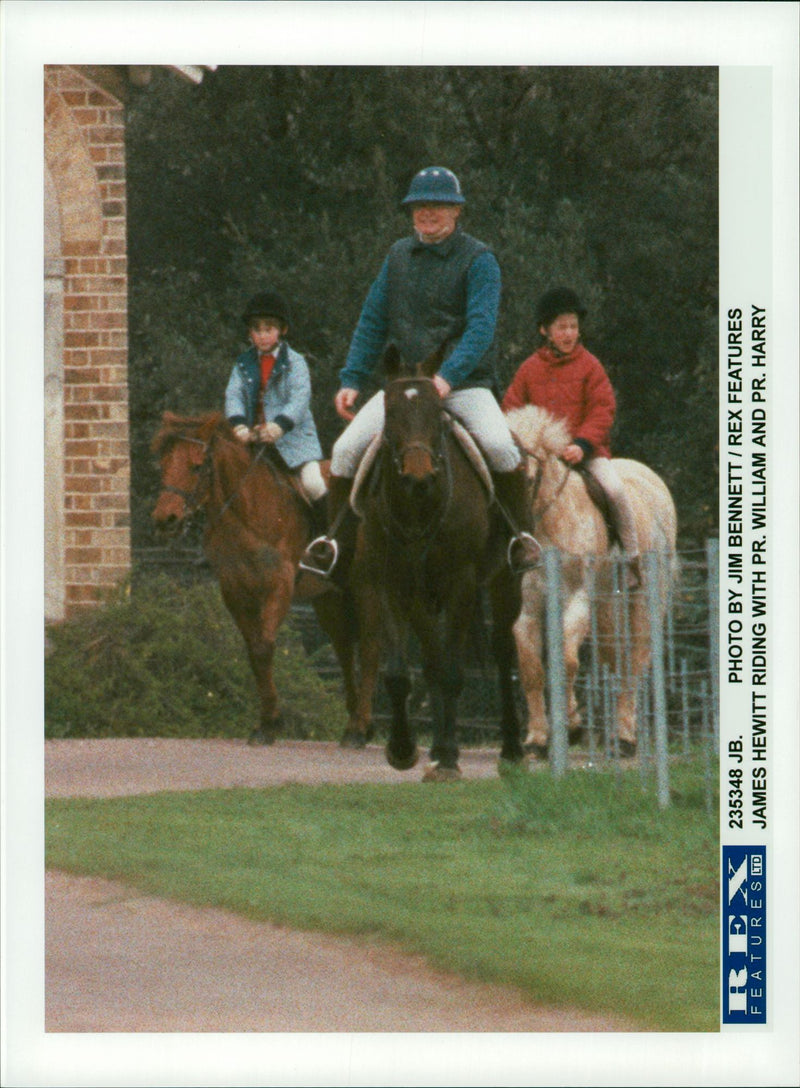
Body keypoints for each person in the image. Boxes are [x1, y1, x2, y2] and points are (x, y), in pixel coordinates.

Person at [300, 165, 539, 580]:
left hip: (463, 384)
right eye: (419, 207)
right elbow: (372, 320)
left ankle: (520, 537)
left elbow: (481, 328)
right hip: (407, 385)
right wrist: (352, 378)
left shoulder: (480, 260)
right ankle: (335, 543)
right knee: (343, 451)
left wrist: (446, 377)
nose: (427, 214)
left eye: (437, 206)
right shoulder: (397, 256)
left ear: (456, 211)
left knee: (501, 447)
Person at [502, 287, 641, 588]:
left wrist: (582, 444)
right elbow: (511, 410)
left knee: (615, 489)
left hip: (586, 453)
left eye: (573, 327)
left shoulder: (590, 365)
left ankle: (630, 557)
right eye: (562, 327)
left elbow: (603, 408)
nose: (569, 333)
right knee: (510, 491)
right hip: (544, 459)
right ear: (545, 330)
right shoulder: (528, 370)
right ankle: (511, 551)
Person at [225, 291, 328, 529]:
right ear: (250, 333)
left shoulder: (296, 362)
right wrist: (238, 424)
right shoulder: (243, 363)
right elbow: (234, 395)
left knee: (313, 483)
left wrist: (279, 426)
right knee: (227, 479)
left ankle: (326, 537)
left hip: (294, 441)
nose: (262, 336)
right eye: (256, 329)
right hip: (255, 439)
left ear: (282, 330)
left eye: (268, 329)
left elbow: (299, 399)